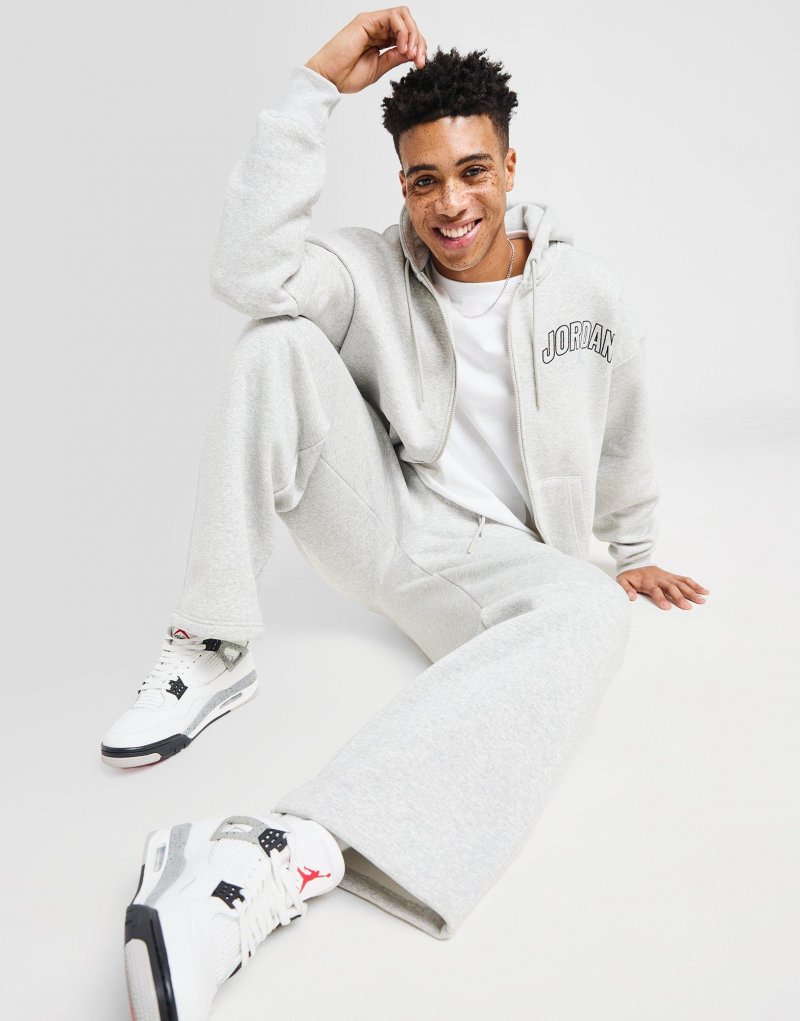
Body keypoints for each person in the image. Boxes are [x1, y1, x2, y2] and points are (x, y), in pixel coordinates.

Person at [107, 8, 710, 1019]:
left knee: (593, 608)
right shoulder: (369, 273)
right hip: (387, 528)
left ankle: (272, 852)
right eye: (423, 180)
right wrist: (312, 89)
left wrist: (633, 547)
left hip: (510, 567)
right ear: (400, 185)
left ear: (509, 167)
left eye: (471, 171)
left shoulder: (586, 292)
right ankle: (210, 644)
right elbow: (247, 275)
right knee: (274, 341)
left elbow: (623, 427)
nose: (450, 203)